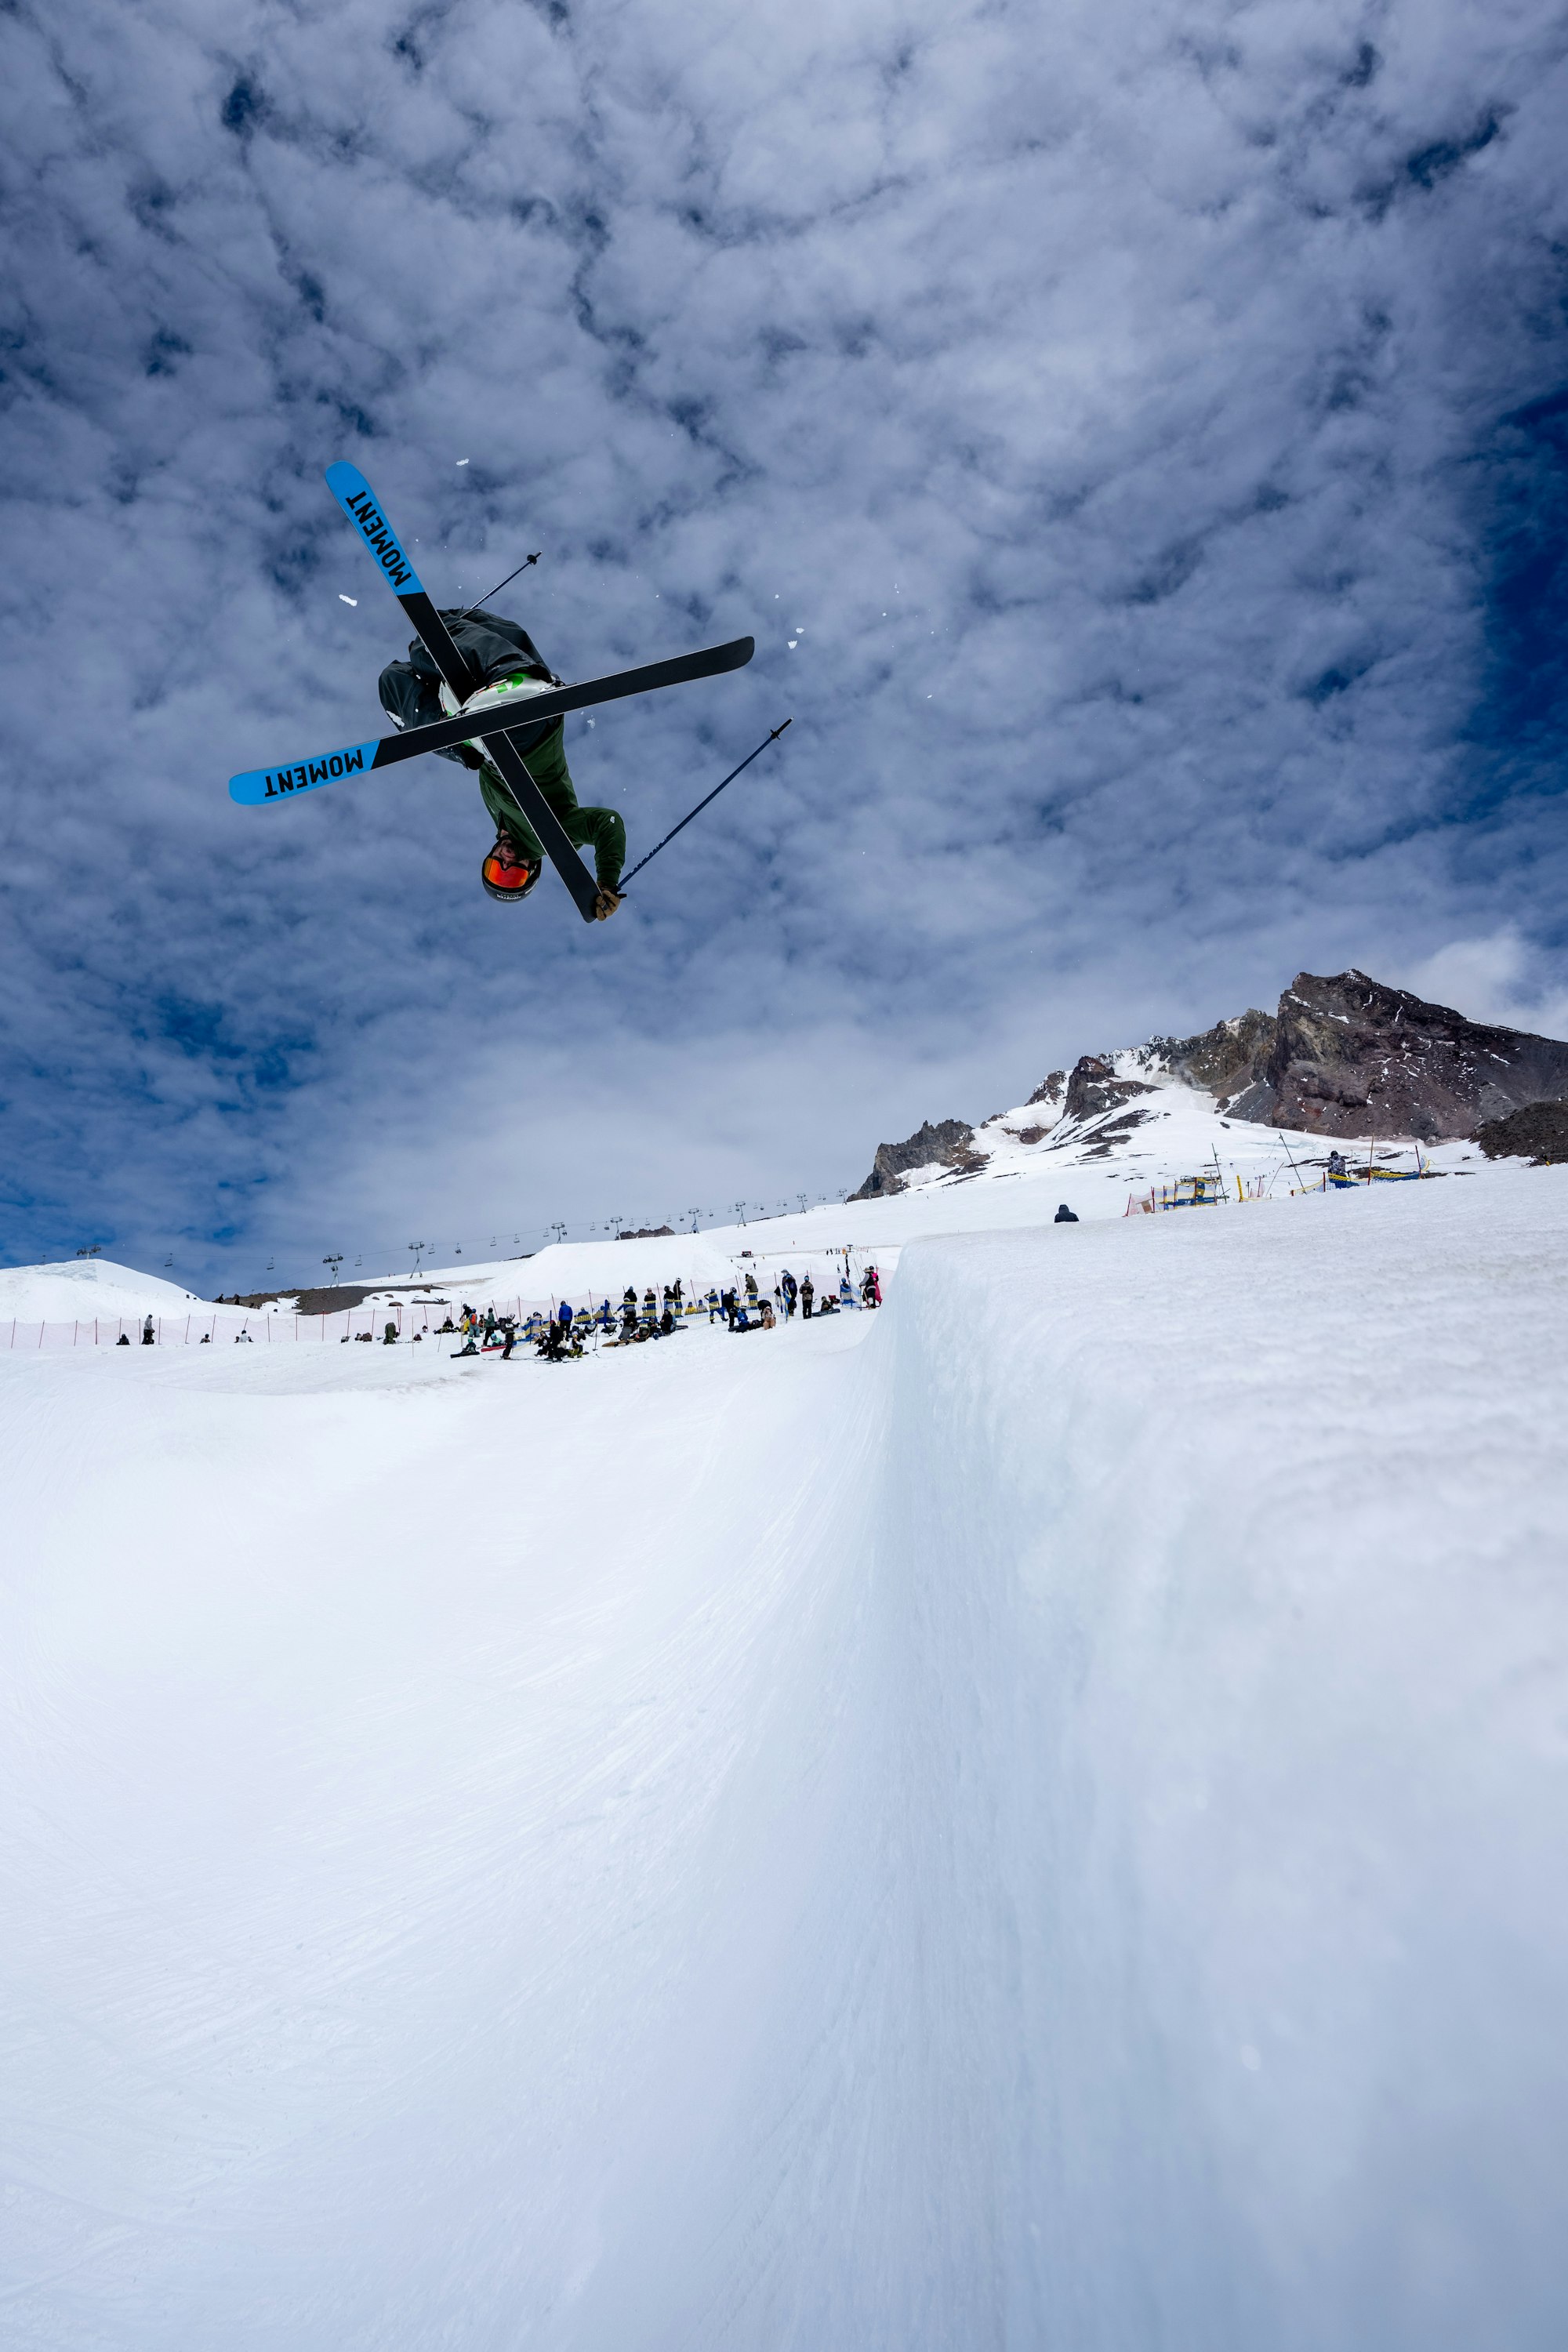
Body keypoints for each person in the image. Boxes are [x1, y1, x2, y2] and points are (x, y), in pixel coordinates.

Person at [379, 607, 624, 919]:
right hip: (530, 729)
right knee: (426, 647)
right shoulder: (551, 839)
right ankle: (505, 681)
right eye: (515, 875)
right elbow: (607, 824)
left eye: (497, 871)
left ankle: (458, 708)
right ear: (532, 868)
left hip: (482, 734)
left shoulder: (498, 815)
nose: (507, 862)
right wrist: (607, 882)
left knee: (393, 679)